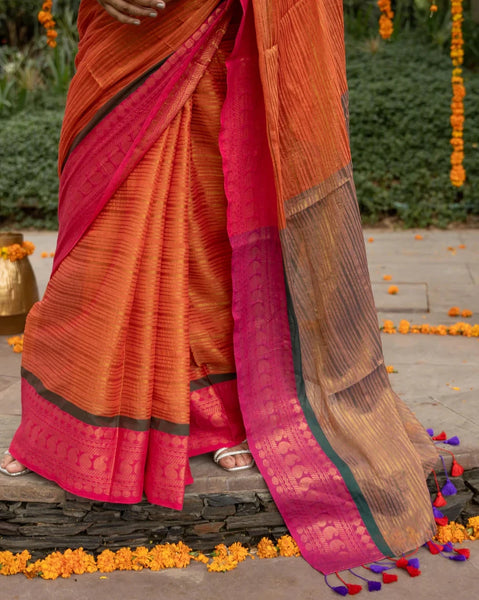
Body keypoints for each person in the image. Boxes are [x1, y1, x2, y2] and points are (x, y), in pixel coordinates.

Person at [1, 0, 438, 575]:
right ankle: (67, 416)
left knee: (210, 216)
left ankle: (219, 415)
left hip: (223, 21)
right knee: (106, 225)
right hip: (129, 31)